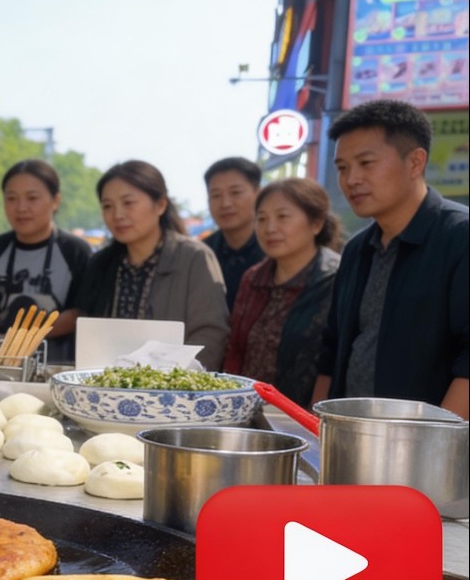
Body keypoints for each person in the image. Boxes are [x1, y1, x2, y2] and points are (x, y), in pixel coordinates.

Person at [314, 99, 468, 417]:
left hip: (433, 452)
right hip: (353, 438)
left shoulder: (459, 236)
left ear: (415, 162)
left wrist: (434, 445)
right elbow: (332, 349)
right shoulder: (357, 249)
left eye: (366, 163)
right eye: (342, 168)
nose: (351, 179)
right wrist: (318, 429)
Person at [72, 160, 230, 370]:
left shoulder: (194, 257)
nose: (117, 215)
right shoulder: (100, 263)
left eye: (128, 203)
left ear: (160, 205)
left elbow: (210, 335)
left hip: (172, 392)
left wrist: (174, 382)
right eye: (107, 206)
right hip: (107, 391)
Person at [0, 159, 91, 362]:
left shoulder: (75, 251)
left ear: (56, 201)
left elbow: (80, 313)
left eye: (32, 198)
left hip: (50, 369)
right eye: (11, 198)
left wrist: (20, 340)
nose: (21, 207)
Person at [224, 179, 341, 408]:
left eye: (282, 217)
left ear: (316, 223)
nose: (270, 228)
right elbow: (235, 350)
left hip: (306, 418)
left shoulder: (336, 278)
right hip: (247, 412)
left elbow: (333, 362)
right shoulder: (253, 278)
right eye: (262, 219)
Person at [202, 157, 265, 311]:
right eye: (216, 195)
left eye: (235, 192)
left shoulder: (275, 247)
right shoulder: (202, 254)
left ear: (258, 194)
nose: (225, 203)